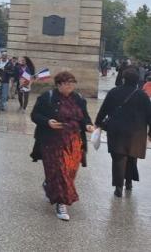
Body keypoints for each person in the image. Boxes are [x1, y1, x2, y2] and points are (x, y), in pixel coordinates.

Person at [30, 71, 94, 221]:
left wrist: (89, 126)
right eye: (66, 83)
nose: (70, 86)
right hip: (52, 142)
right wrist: (47, 122)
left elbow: (84, 117)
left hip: (74, 142)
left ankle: (49, 184)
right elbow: (35, 115)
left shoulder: (78, 99)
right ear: (59, 84)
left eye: (72, 83)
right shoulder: (48, 97)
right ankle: (61, 203)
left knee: (70, 172)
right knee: (60, 172)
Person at [95, 69, 151, 197]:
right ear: (137, 81)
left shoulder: (114, 92)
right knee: (132, 157)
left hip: (117, 131)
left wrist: (98, 123)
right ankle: (129, 182)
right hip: (136, 134)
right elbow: (150, 115)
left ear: (124, 79)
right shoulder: (143, 96)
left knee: (118, 159)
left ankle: (118, 187)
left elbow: (104, 109)